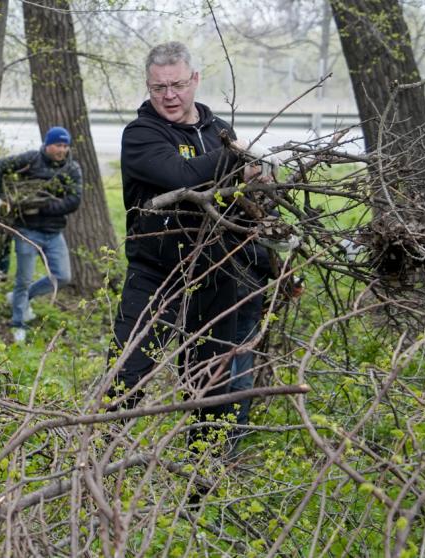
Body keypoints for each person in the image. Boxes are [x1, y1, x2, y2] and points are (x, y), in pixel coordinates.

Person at [107, 41, 267, 438]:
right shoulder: (142, 133)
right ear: (148, 86)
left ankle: (203, 480)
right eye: (158, 88)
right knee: (128, 370)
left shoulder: (219, 132)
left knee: (211, 383)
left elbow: (237, 203)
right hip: (156, 273)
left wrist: (258, 182)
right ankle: (98, 457)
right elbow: (181, 175)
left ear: (194, 79)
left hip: (214, 271)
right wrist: (237, 159)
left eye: (177, 85)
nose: (169, 96)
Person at [0, 126, 83, 343]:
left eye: (66, 146)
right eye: (58, 145)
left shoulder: (71, 169)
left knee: (62, 277)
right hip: (27, 232)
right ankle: (18, 323)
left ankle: (21, 298)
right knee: (23, 278)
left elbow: (74, 200)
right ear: (47, 144)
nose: (62, 150)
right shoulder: (31, 160)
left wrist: (41, 208)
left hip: (54, 232)